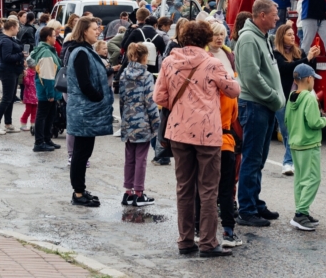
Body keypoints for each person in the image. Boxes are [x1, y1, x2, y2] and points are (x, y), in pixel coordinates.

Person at [153, 20, 239, 258]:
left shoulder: (169, 62)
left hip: (179, 131)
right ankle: (209, 243)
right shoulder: (212, 63)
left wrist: (182, 107)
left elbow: (159, 96)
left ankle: (185, 240)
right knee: (208, 189)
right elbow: (234, 91)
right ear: (206, 40)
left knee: (184, 188)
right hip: (207, 134)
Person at [235, 0, 286, 227]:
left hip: (264, 105)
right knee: (252, 159)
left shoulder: (262, 37)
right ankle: (246, 209)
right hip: (255, 105)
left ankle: (253, 201)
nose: (278, 17)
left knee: (259, 158)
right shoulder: (248, 39)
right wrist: (274, 97)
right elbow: (251, 77)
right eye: (275, 14)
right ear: (262, 15)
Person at [66, 17, 114, 208]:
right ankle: (78, 193)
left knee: (84, 152)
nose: (98, 31)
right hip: (84, 110)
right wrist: (98, 97)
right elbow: (84, 83)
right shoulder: (81, 53)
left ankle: (80, 189)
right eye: (94, 29)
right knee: (80, 153)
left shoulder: (84, 51)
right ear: (84, 31)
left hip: (86, 109)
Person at [205, 21, 243, 248]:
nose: (220, 38)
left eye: (222, 34)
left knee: (206, 188)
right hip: (224, 140)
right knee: (224, 189)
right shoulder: (230, 94)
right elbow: (234, 108)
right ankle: (228, 231)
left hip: (207, 139)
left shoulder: (227, 56)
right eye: (215, 34)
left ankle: (201, 231)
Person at [285, 63, 326, 231]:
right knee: (313, 178)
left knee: (300, 179)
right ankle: (301, 213)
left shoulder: (291, 96)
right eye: (313, 79)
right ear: (309, 79)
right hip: (309, 143)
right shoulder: (310, 97)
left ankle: (301, 210)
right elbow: (313, 122)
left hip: (295, 143)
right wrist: (324, 120)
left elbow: (287, 120)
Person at [273, 24, 320, 176]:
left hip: (299, 98)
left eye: (293, 34)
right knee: (287, 131)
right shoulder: (276, 54)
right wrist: (307, 58)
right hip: (283, 98)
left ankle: (289, 162)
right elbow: (287, 69)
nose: (293, 37)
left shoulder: (299, 52)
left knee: (294, 131)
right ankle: (290, 161)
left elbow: (309, 70)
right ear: (281, 37)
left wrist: (313, 58)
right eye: (289, 34)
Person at [119, 43, 160, 207]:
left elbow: (121, 99)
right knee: (141, 158)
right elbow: (150, 102)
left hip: (128, 120)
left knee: (129, 158)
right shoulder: (147, 75)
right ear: (145, 57)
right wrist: (156, 124)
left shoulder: (124, 74)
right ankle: (139, 193)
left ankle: (128, 191)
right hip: (142, 122)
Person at [31, 27, 63, 152]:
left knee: (49, 115)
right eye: (54, 36)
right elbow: (48, 75)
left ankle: (46, 139)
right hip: (47, 90)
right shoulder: (46, 53)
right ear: (48, 37)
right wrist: (50, 93)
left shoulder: (45, 50)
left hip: (49, 89)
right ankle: (39, 142)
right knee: (43, 115)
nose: (56, 37)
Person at [0, 19, 24, 135]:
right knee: (6, 98)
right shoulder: (6, 41)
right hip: (8, 71)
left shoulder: (8, 39)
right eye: (17, 27)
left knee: (10, 98)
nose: (18, 29)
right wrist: (20, 55)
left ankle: (8, 123)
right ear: (12, 28)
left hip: (12, 70)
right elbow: (6, 57)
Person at [122, 8, 167, 74]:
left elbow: (125, 46)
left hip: (135, 66)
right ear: (155, 25)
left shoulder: (135, 31)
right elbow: (164, 53)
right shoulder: (159, 37)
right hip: (152, 69)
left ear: (137, 17)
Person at [19, 60, 38, 131]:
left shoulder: (37, 73)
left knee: (34, 111)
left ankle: (33, 124)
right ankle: (23, 123)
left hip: (35, 95)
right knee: (28, 110)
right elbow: (27, 83)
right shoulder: (28, 73)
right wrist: (25, 76)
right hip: (29, 95)